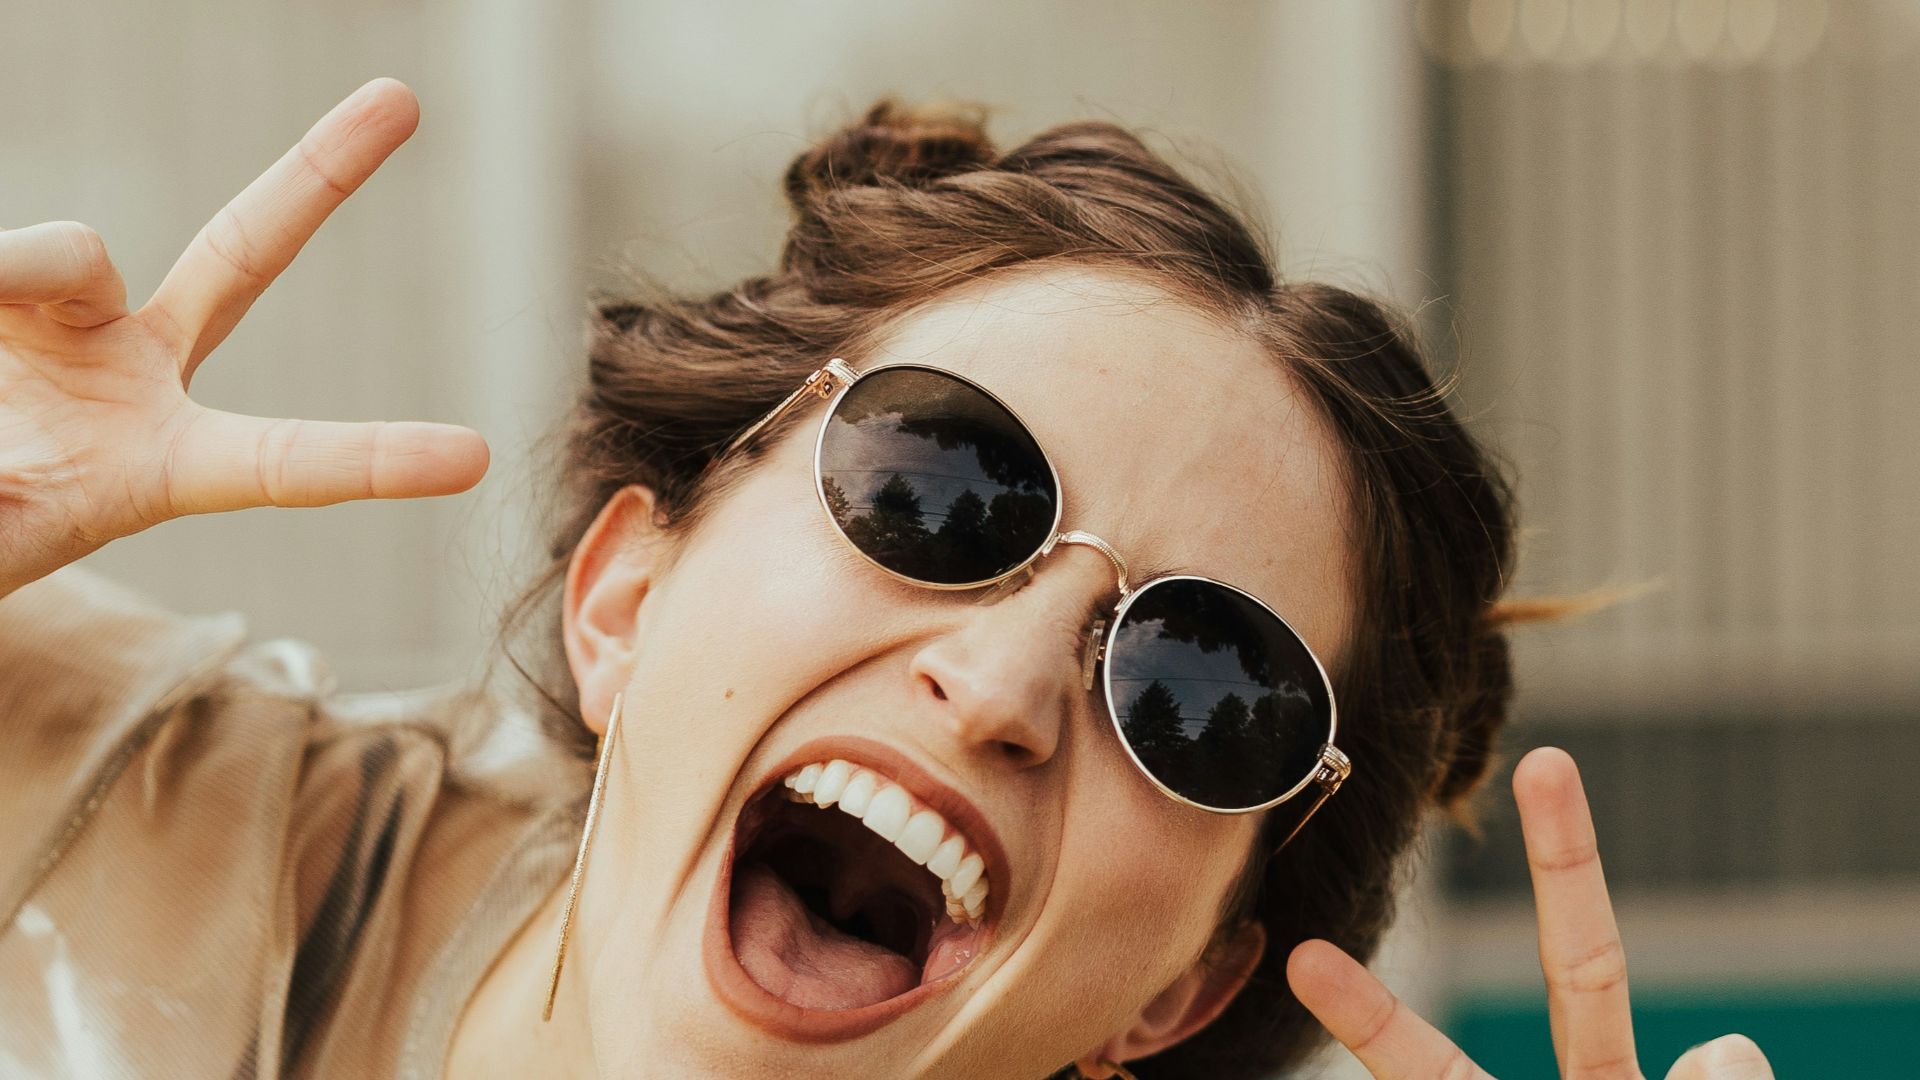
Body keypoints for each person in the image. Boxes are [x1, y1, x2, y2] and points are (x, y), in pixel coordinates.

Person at [0, 78, 1773, 1079]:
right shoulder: (105, 805)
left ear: (1181, 988)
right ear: (623, 599)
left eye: (1197, 692)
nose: (1001, 690)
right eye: (937, 491)